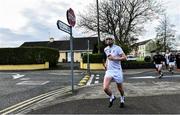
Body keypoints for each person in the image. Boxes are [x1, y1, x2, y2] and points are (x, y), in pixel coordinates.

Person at [103, 35, 127, 108]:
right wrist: (106, 64)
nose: (108, 40)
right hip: (109, 71)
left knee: (120, 88)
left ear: (113, 40)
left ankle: (122, 97)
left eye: (110, 39)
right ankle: (112, 97)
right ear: (105, 41)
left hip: (117, 70)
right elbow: (108, 57)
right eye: (107, 39)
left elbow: (125, 58)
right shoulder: (105, 49)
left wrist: (114, 58)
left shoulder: (118, 48)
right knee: (105, 88)